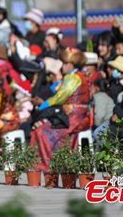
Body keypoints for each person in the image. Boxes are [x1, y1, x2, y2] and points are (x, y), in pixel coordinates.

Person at [30, 48, 90, 182]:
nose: (61, 67)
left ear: (69, 64)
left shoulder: (72, 77)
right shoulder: (81, 75)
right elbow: (54, 91)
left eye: (63, 63)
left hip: (72, 119)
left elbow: (59, 97)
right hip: (79, 117)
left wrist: (43, 105)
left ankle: (48, 168)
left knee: (40, 131)